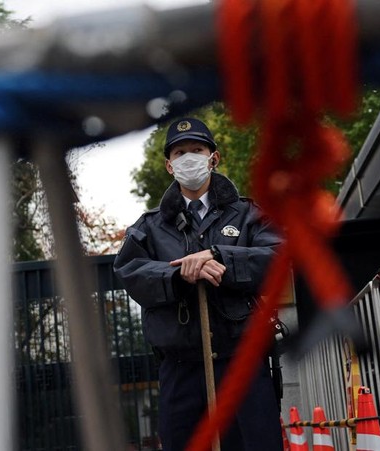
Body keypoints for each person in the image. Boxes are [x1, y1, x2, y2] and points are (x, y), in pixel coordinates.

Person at [114, 117, 283, 451]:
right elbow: (130, 271)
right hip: (181, 368)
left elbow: (278, 255)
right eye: (180, 153)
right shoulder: (148, 227)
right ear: (169, 165)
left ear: (213, 158)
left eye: (196, 149)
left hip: (242, 364)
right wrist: (177, 275)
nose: (188, 158)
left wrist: (218, 256)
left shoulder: (249, 214)